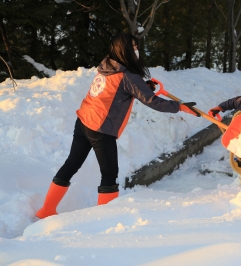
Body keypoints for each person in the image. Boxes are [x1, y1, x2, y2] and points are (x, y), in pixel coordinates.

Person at [36, 33, 200, 219]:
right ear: (123, 50)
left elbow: (118, 90)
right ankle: (104, 220)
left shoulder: (107, 65)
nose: (136, 50)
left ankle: (46, 210)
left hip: (83, 121)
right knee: (109, 174)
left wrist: (144, 86)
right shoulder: (128, 76)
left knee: (71, 164)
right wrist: (180, 107)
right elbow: (153, 102)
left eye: (137, 46)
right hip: (101, 129)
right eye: (133, 47)